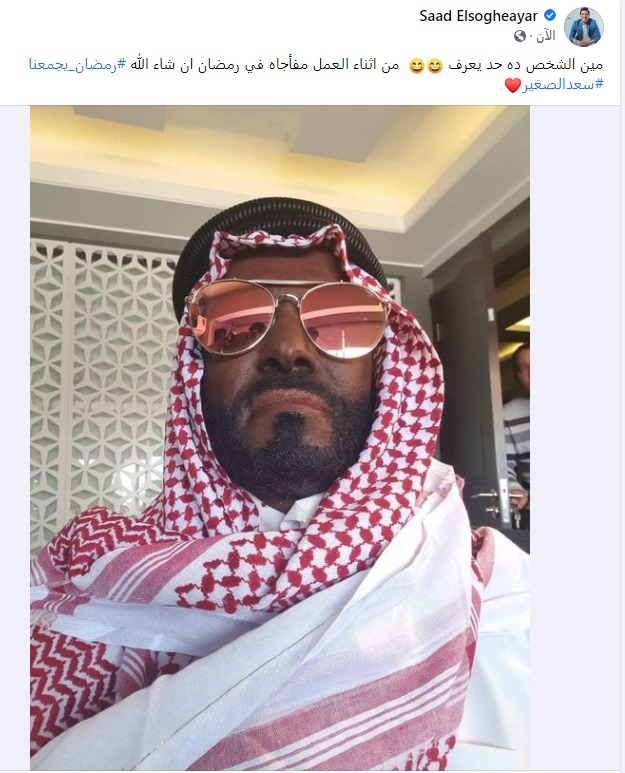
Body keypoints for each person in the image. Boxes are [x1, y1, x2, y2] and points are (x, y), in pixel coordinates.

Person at [30, 197, 529, 770]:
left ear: (383, 365)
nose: (289, 348)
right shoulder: (79, 592)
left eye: (339, 320)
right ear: (196, 371)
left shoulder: (512, 606)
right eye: (234, 322)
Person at [503, 344, 530, 526]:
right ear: (518, 376)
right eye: (524, 368)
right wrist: (513, 487)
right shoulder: (510, 413)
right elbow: (503, 465)